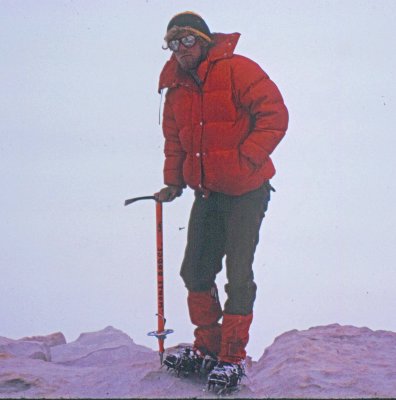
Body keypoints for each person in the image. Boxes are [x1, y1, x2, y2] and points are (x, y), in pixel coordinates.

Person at [155, 11, 288, 390]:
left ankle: (232, 358)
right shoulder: (177, 89)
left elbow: (274, 114)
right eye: (172, 43)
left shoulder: (238, 69)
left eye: (187, 40)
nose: (180, 50)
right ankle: (208, 348)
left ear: (204, 40)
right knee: (194, 271)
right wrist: (174, 183)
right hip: (208, 194)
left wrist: (245, 159)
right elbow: (175, 141)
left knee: (238, 275)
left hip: (246, 192)